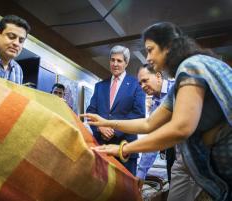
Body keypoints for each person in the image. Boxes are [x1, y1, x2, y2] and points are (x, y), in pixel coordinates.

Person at [82, 22, 232, 201]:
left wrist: (123, 148)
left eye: (150, 50)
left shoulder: (191, 67)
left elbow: (181, 128)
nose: (148, 57)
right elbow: (148, 123)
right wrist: (105, 122)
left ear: (168, 46)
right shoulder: (180, 82)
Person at [137, 64, 201, 201]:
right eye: (140, 83)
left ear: (158, 76)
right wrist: (141, 172)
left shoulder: (179, 88)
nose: (142, 86)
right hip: (178, 155)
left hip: (199, 154)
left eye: (145, 80)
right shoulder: (155, 106)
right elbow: (153, 139)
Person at [86, 45, 146, 175]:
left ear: (126, 63)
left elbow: (138, 114)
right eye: (112, 60)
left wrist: (114, 130)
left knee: (125, 193)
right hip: (101, 147)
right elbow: (90, 112)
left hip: (125, 149)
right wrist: (100, 128)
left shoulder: (137, 85)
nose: (115, 64)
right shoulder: (99, 86)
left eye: (119, 61)